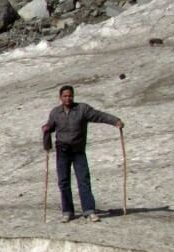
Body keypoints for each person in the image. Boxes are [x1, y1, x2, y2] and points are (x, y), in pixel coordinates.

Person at [42, 85, 123, 223]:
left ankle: (89, 210)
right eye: (65, 96)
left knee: (83, 180)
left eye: (70, 96)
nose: (68, 98)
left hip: (78, 150)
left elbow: (99, 115)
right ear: (60, 97)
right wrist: (47, 128)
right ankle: (67, 211)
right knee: (63, 182)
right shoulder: (55, 112)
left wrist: (115, 121)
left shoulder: (82, 109)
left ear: (73, 96)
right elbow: (51, 125)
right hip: (62, 151)